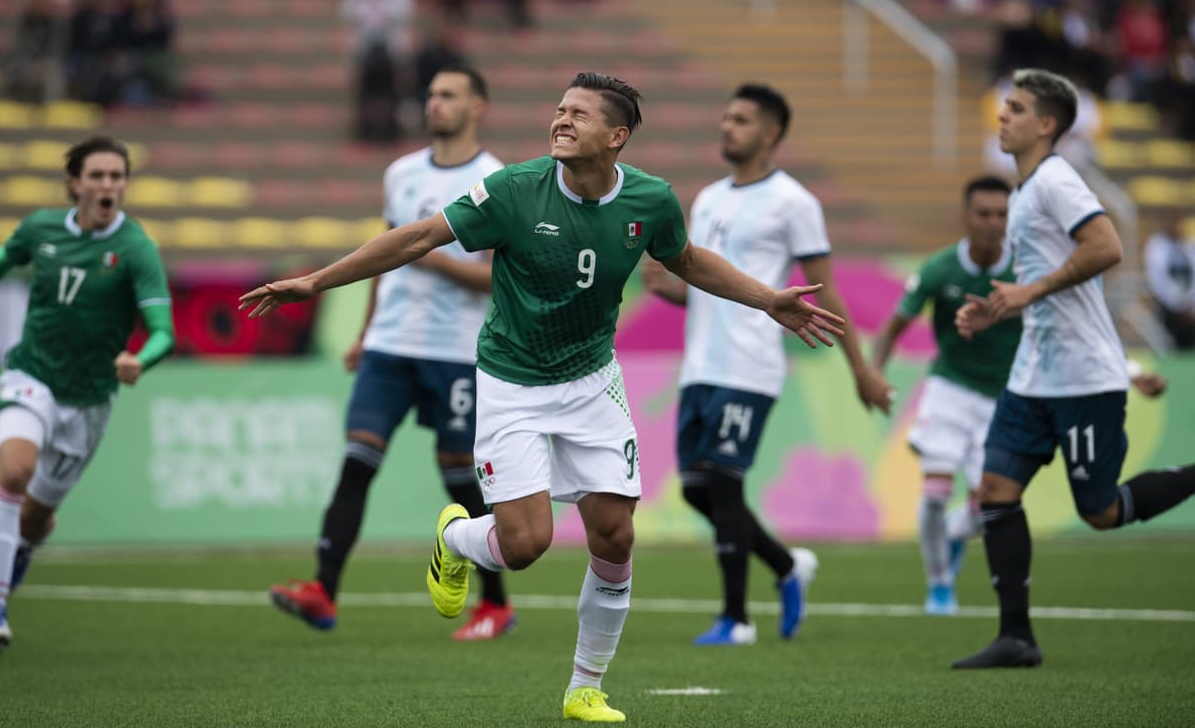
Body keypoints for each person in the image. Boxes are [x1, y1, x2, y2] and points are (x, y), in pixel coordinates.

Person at [240, 72, 845, 722]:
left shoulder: (651, 200)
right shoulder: (513, 190)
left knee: (614, 535)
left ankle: (585, 686)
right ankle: (458, 540)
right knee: (526, 544)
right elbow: (419, 236)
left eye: (578, 114)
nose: (561, 120)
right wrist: (317, 280)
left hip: (592, 381)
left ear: (615, 136)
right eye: (559, 109)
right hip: (511, 381)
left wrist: (768, 297)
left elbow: (688, 261)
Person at [951, 69, 1195, 669]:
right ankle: (1016, 637)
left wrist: (1028, 292)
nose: (1001, 116)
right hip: (1033, 377)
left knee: (1102, 511)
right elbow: (1045, 289)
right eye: (1003, 106)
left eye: (1015, 108)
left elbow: (1107, 247)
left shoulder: (1056, 180)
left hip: (1083, 380)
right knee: (995, 493)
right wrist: (998, 310)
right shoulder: (1027, 189)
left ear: (1047, 124)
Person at [267, 66, 516, 640]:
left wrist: (436, 260)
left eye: (449, 95)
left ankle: (495, 603)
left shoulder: (494, 179)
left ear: (478, 107)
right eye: (431, 94)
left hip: (454, 350)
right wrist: (364, 330)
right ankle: (322, 591)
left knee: (459, 477)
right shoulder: (400, 173)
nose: (435, 103)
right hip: (389, 345)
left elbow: (501, 280)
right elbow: (383, 258)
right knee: (358, 460)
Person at [642, 83, 892, 646]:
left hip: (750, 365)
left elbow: (827, 292)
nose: (726, 127)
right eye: (725, 117)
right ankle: (785, 567)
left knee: (725, 486)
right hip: (700, 367)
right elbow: (707, 287)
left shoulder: (793, 202)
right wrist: (670, 292)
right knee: (695, 490)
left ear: (771, 133)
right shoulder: (706, 198)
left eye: (741, 120)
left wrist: (861, 369)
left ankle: (735, 619)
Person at [0, 135, 174, 651]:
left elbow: (164, 331)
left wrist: (138, 361)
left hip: (91, 401)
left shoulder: (136, 248)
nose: (108, 185)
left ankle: (21, 551)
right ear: (75, 183)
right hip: (32, 375)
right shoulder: (42, 228)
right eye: (97, 175)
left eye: (117, 177)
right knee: (14, 472)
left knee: (36, 517)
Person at [870, 176, 1023, 616]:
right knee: (936, 491)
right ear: (965, 217)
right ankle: (939, 584)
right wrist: (874, 374)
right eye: (984, 214)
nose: (993, 223)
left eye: (1002, 214)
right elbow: (894, 326)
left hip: (1002, 400)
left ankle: (956, 533)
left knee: (992, 508)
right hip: (949, 389)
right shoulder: (940, 269)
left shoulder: (1024, 272)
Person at [1143, 208, 1195, 350]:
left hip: (1190, 310)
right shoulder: (1156, 245)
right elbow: (1157, 279)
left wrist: (1190, 304)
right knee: (1170, 348)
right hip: (1168, 309)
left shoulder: (1188, 245)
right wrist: (1177, 305)